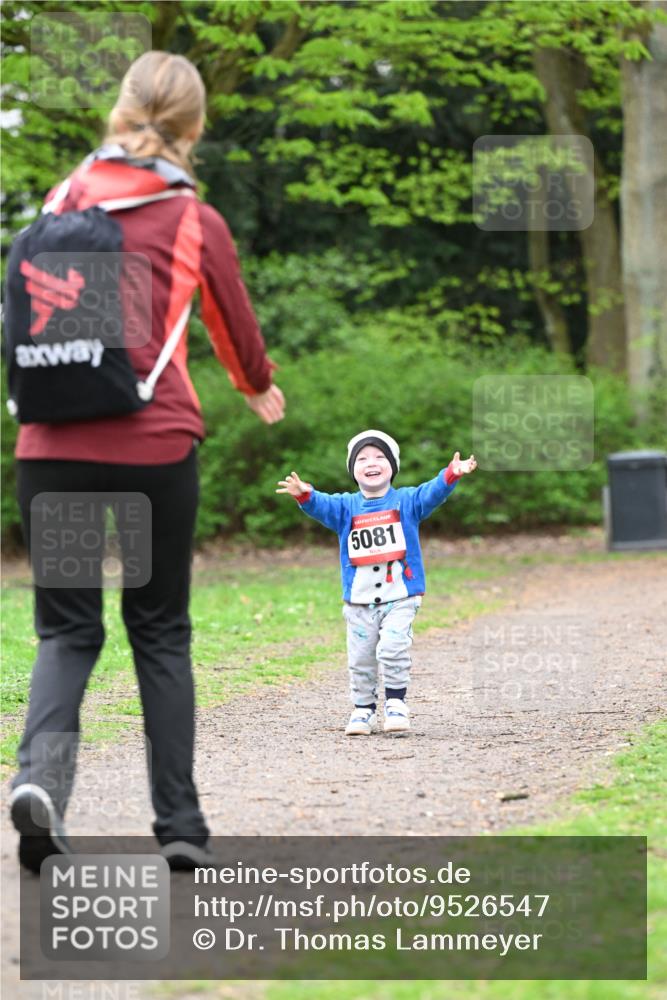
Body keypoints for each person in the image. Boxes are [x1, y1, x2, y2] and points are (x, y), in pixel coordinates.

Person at [8, 51, 285, 873]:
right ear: (195, 127)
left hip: (51, 451)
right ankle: (182, 829)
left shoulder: (62, 199)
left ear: (118, 112)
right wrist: (255, 386)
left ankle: (41, 786)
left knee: (66, 631)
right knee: (159, 631)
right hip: (154, 450)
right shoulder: (192, 218)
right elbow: (233, 324)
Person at [277, 430, 476, 736]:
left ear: (392, 466)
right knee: (360, 658)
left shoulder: (406, 501)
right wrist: (305, 494)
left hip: (401, 595)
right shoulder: (345, 507)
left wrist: (450, 474)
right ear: (352, 469)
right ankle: (363, 710)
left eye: (380, 457)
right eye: (362, 458)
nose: (371, 462)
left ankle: (396, 703)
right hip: (359, 601)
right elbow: (322, 505)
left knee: (393, 647)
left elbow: (431, 493)